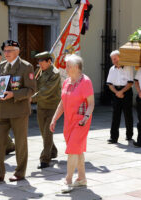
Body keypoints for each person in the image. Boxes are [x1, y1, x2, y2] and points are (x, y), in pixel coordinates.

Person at [0, 40, 36, 182]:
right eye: (5, 51)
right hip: (2, 110)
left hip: (19, 110)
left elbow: (31, 89)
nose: (6, 53)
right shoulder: (1, 66)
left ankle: (20, 173)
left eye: (10, 50)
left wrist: (14, 94)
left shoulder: (26, 67)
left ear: (18, 51)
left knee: (20, 143)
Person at [50, 54, 94, 193]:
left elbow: (91, 104)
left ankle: (68, 180)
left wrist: (86, 117)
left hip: (81, 121)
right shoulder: (67, 82)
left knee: (73, 149)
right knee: (77, 150)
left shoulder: (85, 82)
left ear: (76, 67)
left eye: (68, 66)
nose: (66, 68)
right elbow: (62, 102)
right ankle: (82, 179)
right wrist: (54, 118)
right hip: (68, 122)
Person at [31, 51, 61, 169]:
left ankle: (45, 159)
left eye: (42, 62)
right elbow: (34, 85)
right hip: (41, 106)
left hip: (52, 106)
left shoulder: (55, 73)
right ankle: (53, 151)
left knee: (48, 132)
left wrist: (31, 98)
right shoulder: (39, 72)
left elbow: (46, 90)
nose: (40, 64)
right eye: (38, 62)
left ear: (49, 61)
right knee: (44, 132)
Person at [106, 50, 133, 144]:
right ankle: (113, 137)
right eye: (112, 59)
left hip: (126, 91)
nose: (114, 61)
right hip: (115, 92)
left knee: (127, 114)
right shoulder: (111, 69)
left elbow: (130, 83)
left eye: (115, 58)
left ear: (120, 57)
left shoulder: (128, 67)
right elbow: (109, 84)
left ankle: (129, 135)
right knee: (115, 115)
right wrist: (117, 92)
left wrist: (121, 92)